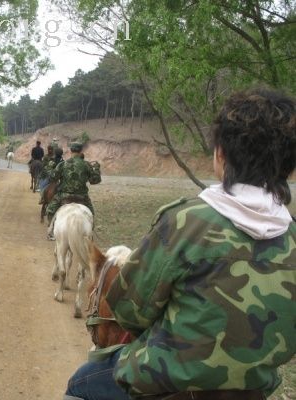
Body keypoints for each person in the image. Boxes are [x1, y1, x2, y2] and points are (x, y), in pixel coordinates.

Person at [64, 89, 296, 400]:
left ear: (220, 154)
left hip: (165, 383)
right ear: (289, 168)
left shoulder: (184, 221)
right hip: (253, 389)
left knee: (82, 383)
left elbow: (129, 313)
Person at [46, 142, 101, 237]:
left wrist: (50, 167)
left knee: (50, 210)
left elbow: (52, 178)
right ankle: (90, 231)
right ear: (80, 151)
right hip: (82, 197)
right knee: (91, 213)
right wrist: (96, 169)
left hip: (64, 196)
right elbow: (94, 180)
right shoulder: (86, 165)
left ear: (71, 151)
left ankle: (52, 232)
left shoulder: (63, 164)